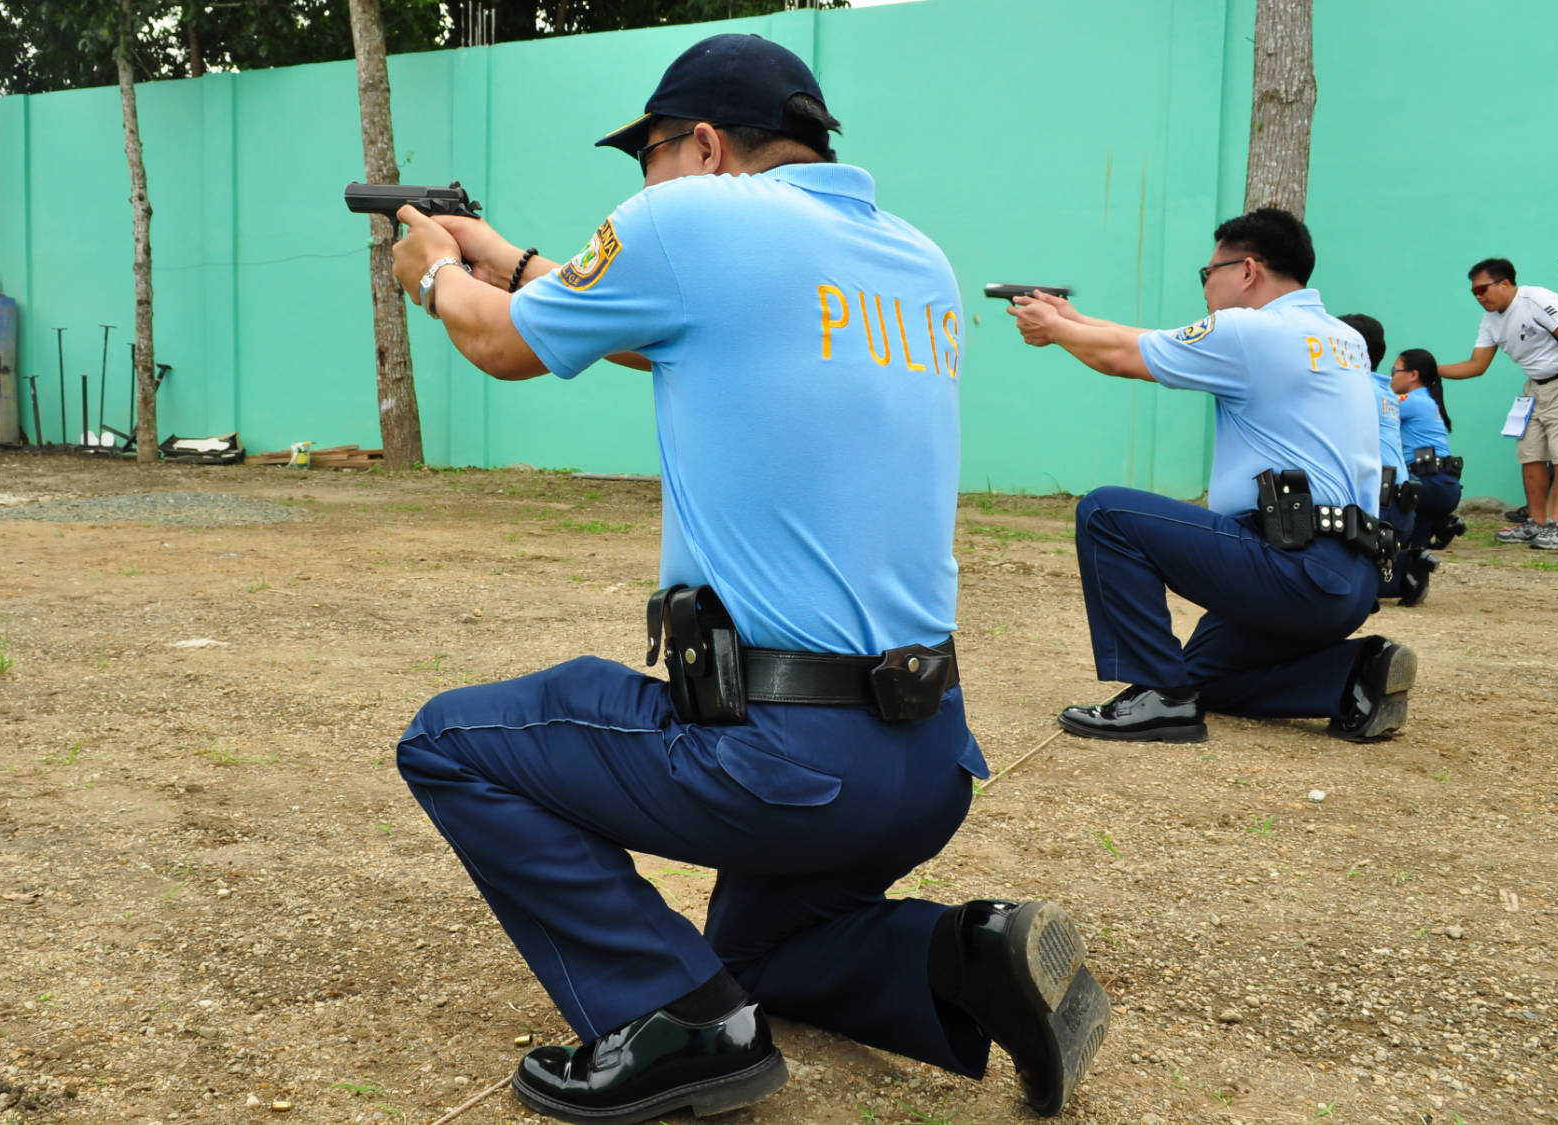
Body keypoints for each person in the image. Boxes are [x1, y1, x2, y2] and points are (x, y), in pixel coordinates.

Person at [386, 33, 1109, 1125]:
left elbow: (494, 345)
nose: (640, 193)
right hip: (922, 766)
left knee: (448, 743)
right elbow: (689, 331)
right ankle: (964, 958)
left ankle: (674, 1030)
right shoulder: (910, 254)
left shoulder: (690, 219)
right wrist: (516, 254)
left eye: (651, 161)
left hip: (783, 761)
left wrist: (434, 274)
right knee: (759, 949)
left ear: (707, 146)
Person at [1008, 208, 1416, 745]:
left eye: (1209, 273)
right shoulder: (1341, 338)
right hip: (1350, 579)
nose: (1205, 287)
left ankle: (1160, 699)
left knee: (1107, 513)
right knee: (1201, 674)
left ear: (1247, 270)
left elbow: (1120, 357)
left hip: (1294, 569)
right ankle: (1352, 676)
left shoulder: (1250, 332)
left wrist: (1054, 330)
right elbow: (1156, 339)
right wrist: (1074, 319)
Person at [1437, 258, 1558, 550]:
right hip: (1535, 386)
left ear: (1505, 283)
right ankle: (1536, 522)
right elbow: (1477, 364)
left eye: (1483, 289)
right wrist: (1432, 369)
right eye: (1474, 293)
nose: (1479, 297)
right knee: (1530, 453)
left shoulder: (1536, 299)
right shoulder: (1491, 321)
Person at [1337, 312, 1413, 603]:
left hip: (1376, 509)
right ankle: (1402, 570)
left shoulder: (1356, 388)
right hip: (1399, 506)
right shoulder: (1384, 389)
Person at [1388, 348, 1463, 605]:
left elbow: (1371, 412)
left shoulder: (1410, 400)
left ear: (1413, 375)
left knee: (1383, 506)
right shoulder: (1428, 401)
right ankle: (1412, 580)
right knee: (1415, 546)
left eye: (1394, 371)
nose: (1391, 378)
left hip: (1426, 484)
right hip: (1445, 484)